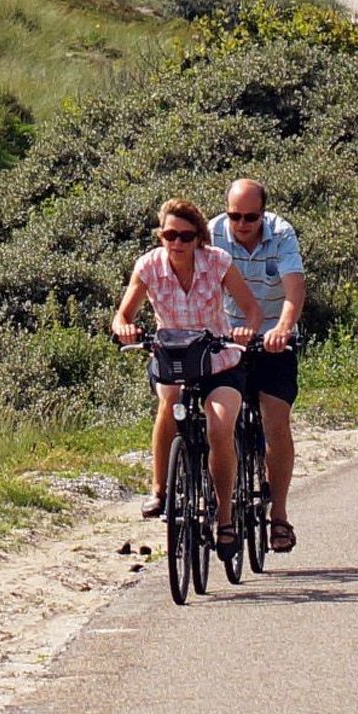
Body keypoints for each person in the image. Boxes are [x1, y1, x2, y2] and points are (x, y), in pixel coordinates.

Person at [111, 197, 267, 557]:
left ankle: (225, 518)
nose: (177, 243)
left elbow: (252, 310)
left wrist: (246, 332)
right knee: (168, 403)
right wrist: (126, 328)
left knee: (219, 424)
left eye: (185, 236)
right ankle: (159, 490)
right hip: (173, 357)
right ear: (160, 236)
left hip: (218, 359)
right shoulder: (148, 266)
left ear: (199, 237)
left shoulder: (218, 262)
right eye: (169, 235)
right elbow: (123, 314)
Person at [210, 179, 304, 553]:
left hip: (271, 335)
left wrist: (282, 329)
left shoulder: (281, 234)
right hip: (228, 333)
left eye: (251, 217)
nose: (242, 224)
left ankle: (278, 516)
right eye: (235, 216)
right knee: (214, 418)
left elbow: (294, 287)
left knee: (275, 419)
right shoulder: (213, 232)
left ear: (263, 214)